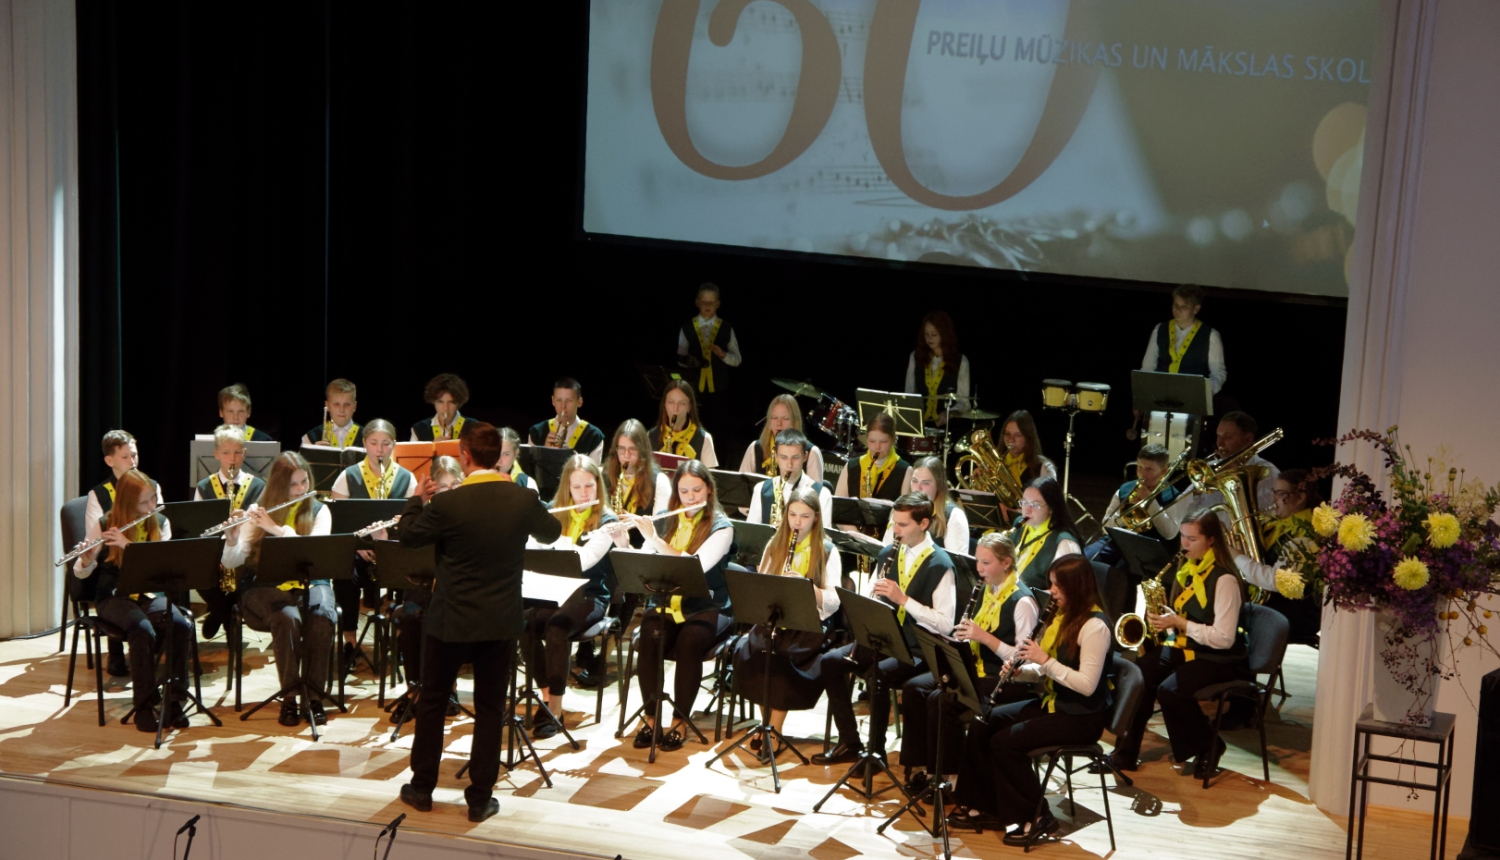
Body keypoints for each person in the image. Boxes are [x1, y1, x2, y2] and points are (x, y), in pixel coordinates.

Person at [398, 422, 561, 823]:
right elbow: (552, 532)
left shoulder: (448, 505)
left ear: (465, 457)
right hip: (498, 622)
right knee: (490, 708)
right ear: (500, 456)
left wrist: (417, 499)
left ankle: (421, 789)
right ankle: (479, 799)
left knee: (433, 704)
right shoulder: (521, 499)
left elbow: (407, 537)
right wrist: (520, 496)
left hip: (449, 620)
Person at [950, 555, 1113, 844]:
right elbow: (1041, 670)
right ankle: (983, 805)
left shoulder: (1094, 627)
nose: (1052, 592)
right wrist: (1020, 673)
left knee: (1006, 743)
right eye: (1051, 584)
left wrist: (1045, 660)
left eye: (1058, 587)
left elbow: (1086, 685)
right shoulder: (1061, 617)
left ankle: (1038, 816)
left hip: (1081, 716)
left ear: (1077, 588)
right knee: (983, 723)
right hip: (1054, 704)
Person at [812, 493, 956, 765]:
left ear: (923, 523)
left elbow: (946, 624)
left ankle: (875, 751)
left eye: (903, 525)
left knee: (878, 672)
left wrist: (904, 600)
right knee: (831, 661)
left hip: (918, 648)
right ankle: (850, 742)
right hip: (885, 637)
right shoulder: (888, 552)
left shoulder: (941, 565)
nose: (896, 531)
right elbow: (871, 597)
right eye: (895, 524)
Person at [1101, 510, 1249, 776]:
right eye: (1182, 537)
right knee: (1140, 674)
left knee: (1170, 691)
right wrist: (1164, 618)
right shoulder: (1190, 568)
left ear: (1212, 540)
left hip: (1219, 657)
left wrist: (1180, 624)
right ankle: (1125, 753)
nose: (1184, 544)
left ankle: (1210, 745)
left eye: (1192, 539)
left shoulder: (1225, 579)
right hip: (1189, 645)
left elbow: (1224, 638)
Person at [900, 532, 1037, 790]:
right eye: (978, 561)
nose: (979, 569)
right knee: (914, 688)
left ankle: (953, 779)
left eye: (986, 563)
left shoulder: (1023, 602)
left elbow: (1024, 659)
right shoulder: (987, 589)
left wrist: (984, 637)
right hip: (973, 669)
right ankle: (926, 768)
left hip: (1002, 680)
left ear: (1006, 563)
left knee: (942, 700)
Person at [621, 460, 737, 752]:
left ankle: (680, 720)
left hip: (708, 605)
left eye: (697, 490)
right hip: (666, 602)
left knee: (689, 642)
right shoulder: (665, 518)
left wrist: (655, 539)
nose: (690, 497)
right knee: (648, 634)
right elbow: (644, 562)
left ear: (709, 490)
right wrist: (623, 542)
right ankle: (651, 716)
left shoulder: (722, 527)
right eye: (684, 491)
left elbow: (694, 567)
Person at [220, 451, 336, 728]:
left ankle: (315, 697)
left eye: (303, 482)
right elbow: (232, 562)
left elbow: (313, 552)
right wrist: (232, 540)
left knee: (322, 618)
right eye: (293, 484)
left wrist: (275, 528)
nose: (300, 490)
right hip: (265, 584)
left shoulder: (320, 511)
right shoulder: (257, 512)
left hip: (312, 581)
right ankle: (290, 697)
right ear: (278, 485)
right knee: (287, 618)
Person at [71, 469, 191, 734]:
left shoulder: (159, 522)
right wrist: (87, 558)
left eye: (153, 499)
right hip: (114, 596)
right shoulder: (105, 523)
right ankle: (144, 705)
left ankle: (174, 701)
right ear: (127, 502)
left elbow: (161, 568)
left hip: (148, 593)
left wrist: (129, 546)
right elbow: (80, 573)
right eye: (144, 502)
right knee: (141, 630)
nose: (152, 507)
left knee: (180, 625)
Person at [523, 455, 628, 738]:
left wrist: (552, 536)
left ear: (598, 488)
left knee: (557, 628)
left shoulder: (607, 521)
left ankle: (555, 706)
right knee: (525, 623)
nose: (583, 494)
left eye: (589, 487)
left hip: (590, 597)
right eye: (577, 487)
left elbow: (582, 560)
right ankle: (546, 694)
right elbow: (532, 549)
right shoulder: (556, 512)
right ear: (567, 489)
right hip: (555, 594)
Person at [730, 487, 841, 749]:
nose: (797, 522)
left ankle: (773, 731)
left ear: (816, 518)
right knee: (752, 651)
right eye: (792, 515)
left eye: (805, 516)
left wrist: (806, 587)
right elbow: (762, 586)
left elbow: (834, 601)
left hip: (808, 624)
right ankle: (765, 723)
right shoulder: (775, 543)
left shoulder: (827, 551)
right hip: (774, 619)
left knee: (781, 656)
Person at [373, 455, 464, 719]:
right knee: (410, 618)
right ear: (432, 488)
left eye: (455, 485)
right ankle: (415, 691)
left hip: (452, 593)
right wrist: (383, 541)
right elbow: (402, 562)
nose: (449, 491)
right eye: (443, 486)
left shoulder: (467, 517)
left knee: (441, 618)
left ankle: (449, 689)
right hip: (420, 589)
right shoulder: (421, 517)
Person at [331, 419, 419, 672]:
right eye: (373, 443)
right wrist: (359, 545)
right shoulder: (347, 477)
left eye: (386, 444)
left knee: (410, 572)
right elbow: (338, 524)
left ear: (393, 445)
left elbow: (411, 524)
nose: (379, 449)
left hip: (391, 549)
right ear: (364, 444)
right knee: (345, 573)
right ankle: (349, 640)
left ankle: (403, 637)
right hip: (359, 550)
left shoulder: (406, 478)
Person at [86, 430, 164, 677]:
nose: (132, 461)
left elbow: (158, 531)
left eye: (135, 455)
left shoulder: (149, 488)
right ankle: (119, 652)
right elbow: (95, 544)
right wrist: (87, 554)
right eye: (125, 457)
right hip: (112, 571)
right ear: (110, 461)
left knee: (174, 618)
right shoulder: (98, 496)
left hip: (146, 576)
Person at [1229, 468, 1322, 643]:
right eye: (1274, 492)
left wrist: (1238, 557)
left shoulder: (1305, 536)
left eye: (1280, 494)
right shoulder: (1276, 524)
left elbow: (1276, 581)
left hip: (1292, 615)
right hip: (1272, 607)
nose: (1274, 499)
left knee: (1223, 613)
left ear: (1300, 497)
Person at [193, 425, 267, 639]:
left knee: (250, 573)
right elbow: (200, 528)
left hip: (245, 549)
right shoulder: (204, 486)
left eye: (237, 452)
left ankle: (220, 613)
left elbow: (260, 527)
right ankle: (224, 614)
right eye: (226, 453)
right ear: (216, 455)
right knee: (197, 574)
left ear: (244, 454)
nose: (232, 458)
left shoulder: (258, 486)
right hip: (215, 551)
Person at [1134, 285, 1227, 454]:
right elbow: (1147, 368)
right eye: (1175, 305)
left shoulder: (1210, 335)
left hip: (1191, 407)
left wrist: (1201, 395)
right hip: (1158, 403)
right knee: (1154, 452)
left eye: (1183, 307)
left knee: (1183, 454)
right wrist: (1141, 399)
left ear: (1196, 309)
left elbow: (1218, 374)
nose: (1177, 310)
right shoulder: (1160, 329)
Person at [1166, 410, 1279, 524]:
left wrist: (1235, 475)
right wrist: (1196, 492)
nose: (1220, 443)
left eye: (1228, 437)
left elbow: (1266, 519)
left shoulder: (1268, 473)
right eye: (1218, 436)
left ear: (1248, 439)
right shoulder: (1211, 468)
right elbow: (1174, 517)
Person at [1088, 443, 1180, 566]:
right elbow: (1105, 527)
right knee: (1082, 560)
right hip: (1116, 541)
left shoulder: (1174, 495)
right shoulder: (1125, 489)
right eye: (1139, 467)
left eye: (1149, 469)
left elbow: (1170, 533)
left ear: (1164, 470)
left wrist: (1151, 502)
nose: (1141, 474)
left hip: (1147, 549)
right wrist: (1127, 510)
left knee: (1121, 573)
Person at [676, 282, 741, 433]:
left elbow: (737, 359)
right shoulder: (687, 326)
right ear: (697, 302)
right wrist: (688, 361)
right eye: (704, 301)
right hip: (693, 390)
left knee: (718, 432)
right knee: (692, 431)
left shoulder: (726, 327)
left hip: (720, 390)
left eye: (711, 302)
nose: (707, 305)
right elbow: (680, 356)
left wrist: (722, 355)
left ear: (718, 304)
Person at [881, 456, 968, 555]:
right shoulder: (900, 510)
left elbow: (957, 564)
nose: (918, 488)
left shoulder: (954, 515)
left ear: (938, 485)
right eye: (914, 481)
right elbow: (886, 550)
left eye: (926, 483)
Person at [1009, 477, 1083, 591]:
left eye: (1035, 505)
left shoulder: (1064, 543)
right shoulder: (1020, 525)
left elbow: (1067, 592)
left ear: (1051, 508)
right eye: (1024, 502)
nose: (1027, 510)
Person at [746, 429, 832, 526]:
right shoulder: (761, 489)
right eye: (783, 457)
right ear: (776, 456)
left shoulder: (822, 494)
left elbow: (825, 539)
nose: (789, 465)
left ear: (805, 456)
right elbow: (751, 533)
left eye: (795, 457)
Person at [903, 311, 971, 426]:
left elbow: (964, 402)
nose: (929, 338)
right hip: (919, 425)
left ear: (944, 334)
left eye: (934, 334)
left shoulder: (961, 361)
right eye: (926, 334)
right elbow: (909, 394)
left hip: (947, 427)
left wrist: (950, 413)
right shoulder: (915, 357)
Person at [739, 394, 825, 483]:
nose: (779, 424)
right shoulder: (755, 448)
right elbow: (740, 489)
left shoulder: (812, 452)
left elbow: (816, 495)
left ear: (795, 421)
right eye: (774, 418)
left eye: (785, 418)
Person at [834, 412, 913, 506]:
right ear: (866, 438)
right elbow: (838, 506)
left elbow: (906, 512)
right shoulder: (851, 466)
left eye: (883, 442)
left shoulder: (905, 470)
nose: (877, 447)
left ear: (893, 439)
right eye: (872, 441)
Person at [527, 377, 606, 465]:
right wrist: (544, 452)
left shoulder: (594, 435)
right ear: (553, 401)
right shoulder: (537, 432)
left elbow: (594, 475)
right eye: (559, 400)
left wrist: (573, 458)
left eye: (569, 401)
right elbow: (529, 471)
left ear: (580, 402)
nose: (563, 406)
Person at [650, 379, 719, 468]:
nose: (675, 409)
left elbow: (709, 479)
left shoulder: (703, 438)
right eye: (670, 402)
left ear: (689, 406)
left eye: (682, 403)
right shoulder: (651, 436)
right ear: (664, 404)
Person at [301, 378, 361, 448]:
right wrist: (314, 454)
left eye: (347, 405)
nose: (342, 410)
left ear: (354, 406)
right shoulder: (310, 438)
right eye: (336, 404)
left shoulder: (368, 437)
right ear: (327, 405)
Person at [410, 373, 469, 442]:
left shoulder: (473, 427)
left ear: (458, 403)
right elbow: (412, 453)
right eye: (440, 402)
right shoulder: (419, 429)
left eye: (451, 402)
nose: (445, 408)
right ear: (433, 401)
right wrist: (432, 448)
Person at [498, 427, 539, 493]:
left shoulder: (528, 483)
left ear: (516, 454)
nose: (499, 460)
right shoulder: (478, 477)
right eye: (496, 453)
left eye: (506, 454)